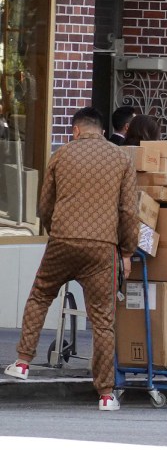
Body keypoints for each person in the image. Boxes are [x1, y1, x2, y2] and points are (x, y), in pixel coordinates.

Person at [3, 107, 138, 411]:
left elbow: (45, 205)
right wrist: (126, 251)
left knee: (40, 295)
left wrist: (57, 231)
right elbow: (129, 211)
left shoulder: (61, 155)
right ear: (101, 130)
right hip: (102, 247)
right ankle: (105, 394)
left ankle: (23, 362)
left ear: (76, 130)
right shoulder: (121, 159)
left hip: (63, 242)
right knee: (103, 319)